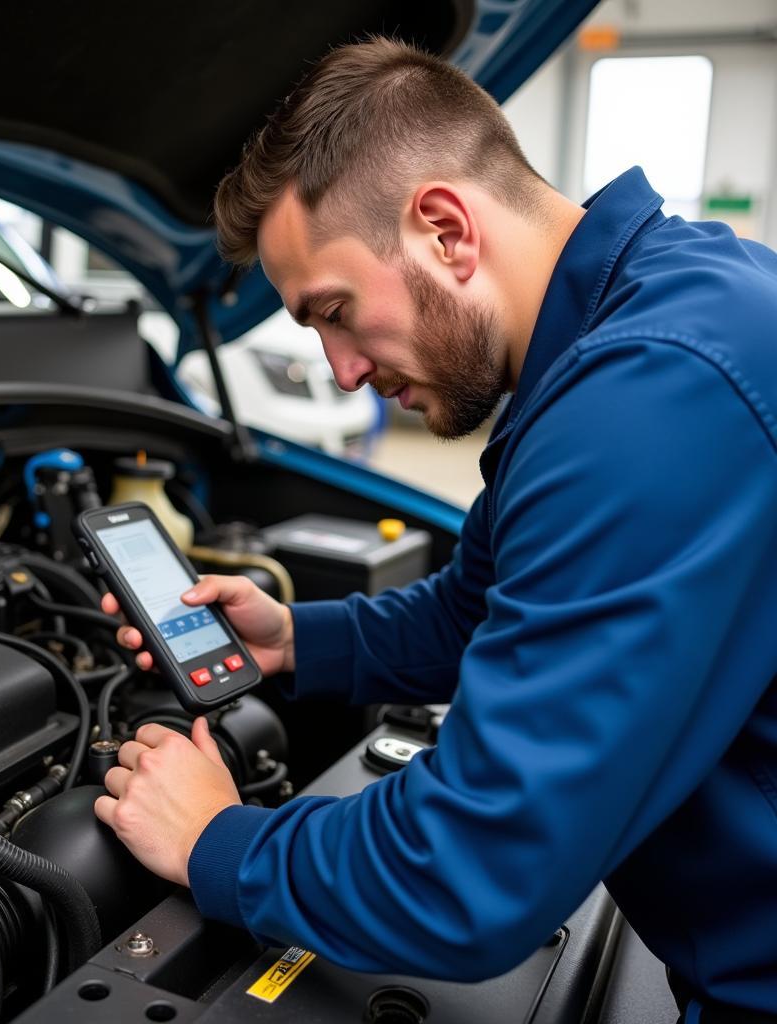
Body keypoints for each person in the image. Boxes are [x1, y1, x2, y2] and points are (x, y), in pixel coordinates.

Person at [96, 37, 777, 1023]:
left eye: (333, 311)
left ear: (446, 230)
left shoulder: (651, 397)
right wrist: (298, 640)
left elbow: (469, 872)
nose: (338, 372)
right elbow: (484, 606)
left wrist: (218, 839)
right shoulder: (637, 325)